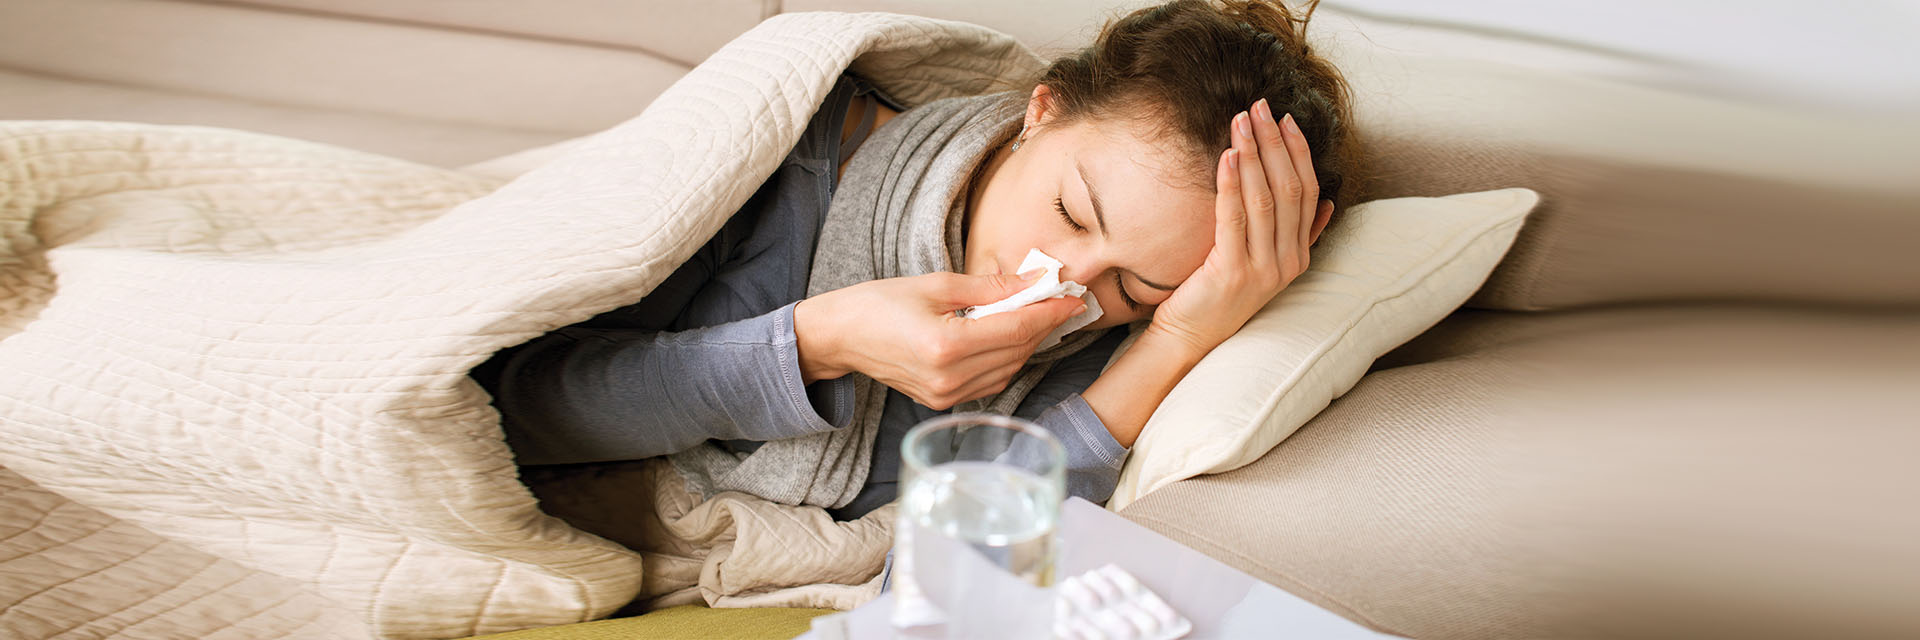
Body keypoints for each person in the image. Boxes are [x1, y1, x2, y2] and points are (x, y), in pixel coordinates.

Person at [470, 0, 1359, 520]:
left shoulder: (1111, 336)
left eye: (1138, 284)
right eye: (1070, 211)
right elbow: (505, 412)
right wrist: (817, 344)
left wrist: (1177, 336)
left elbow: (972, 549)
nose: (1069, 285)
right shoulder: (780, 163)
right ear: (1039, 112)